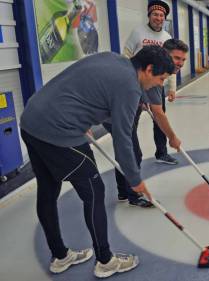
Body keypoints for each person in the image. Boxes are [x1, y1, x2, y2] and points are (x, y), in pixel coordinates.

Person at [20, 46, 174, 278]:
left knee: (48, 189)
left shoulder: (112, 58)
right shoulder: (130, 87)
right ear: (148, 69)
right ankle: (105, 261)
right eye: (160, 78)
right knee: (94, 191)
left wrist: (85, 118)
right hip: (59, 131)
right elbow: (123, 139)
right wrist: (134, 179)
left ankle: (60, 256)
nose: (160, 84)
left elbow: (82, 87)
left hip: (32, 120)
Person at [103, 39, 187, 208]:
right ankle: (133, 193)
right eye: (177, 58)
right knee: (133, 152)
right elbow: (158, 112)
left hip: (126, 108)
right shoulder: (155, 71)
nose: (180, 63)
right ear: (164, 54)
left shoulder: (156, 71)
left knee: (128, 151)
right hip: (116, 112)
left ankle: (123, 191)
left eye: (183, 59)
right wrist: (172, 137)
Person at [123, 0, 179, 165]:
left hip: (157, 84)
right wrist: (129, 79)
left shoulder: (167, 38)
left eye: (161, 15)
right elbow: (126, 54)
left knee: (159, 118)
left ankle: (162, 153)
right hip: (137, 83)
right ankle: (132, 154)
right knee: (133, 119)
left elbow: (171, 65)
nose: (158, 18)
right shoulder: (138, 32)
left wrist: (172, 88)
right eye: (155, 14)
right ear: (149, 15)